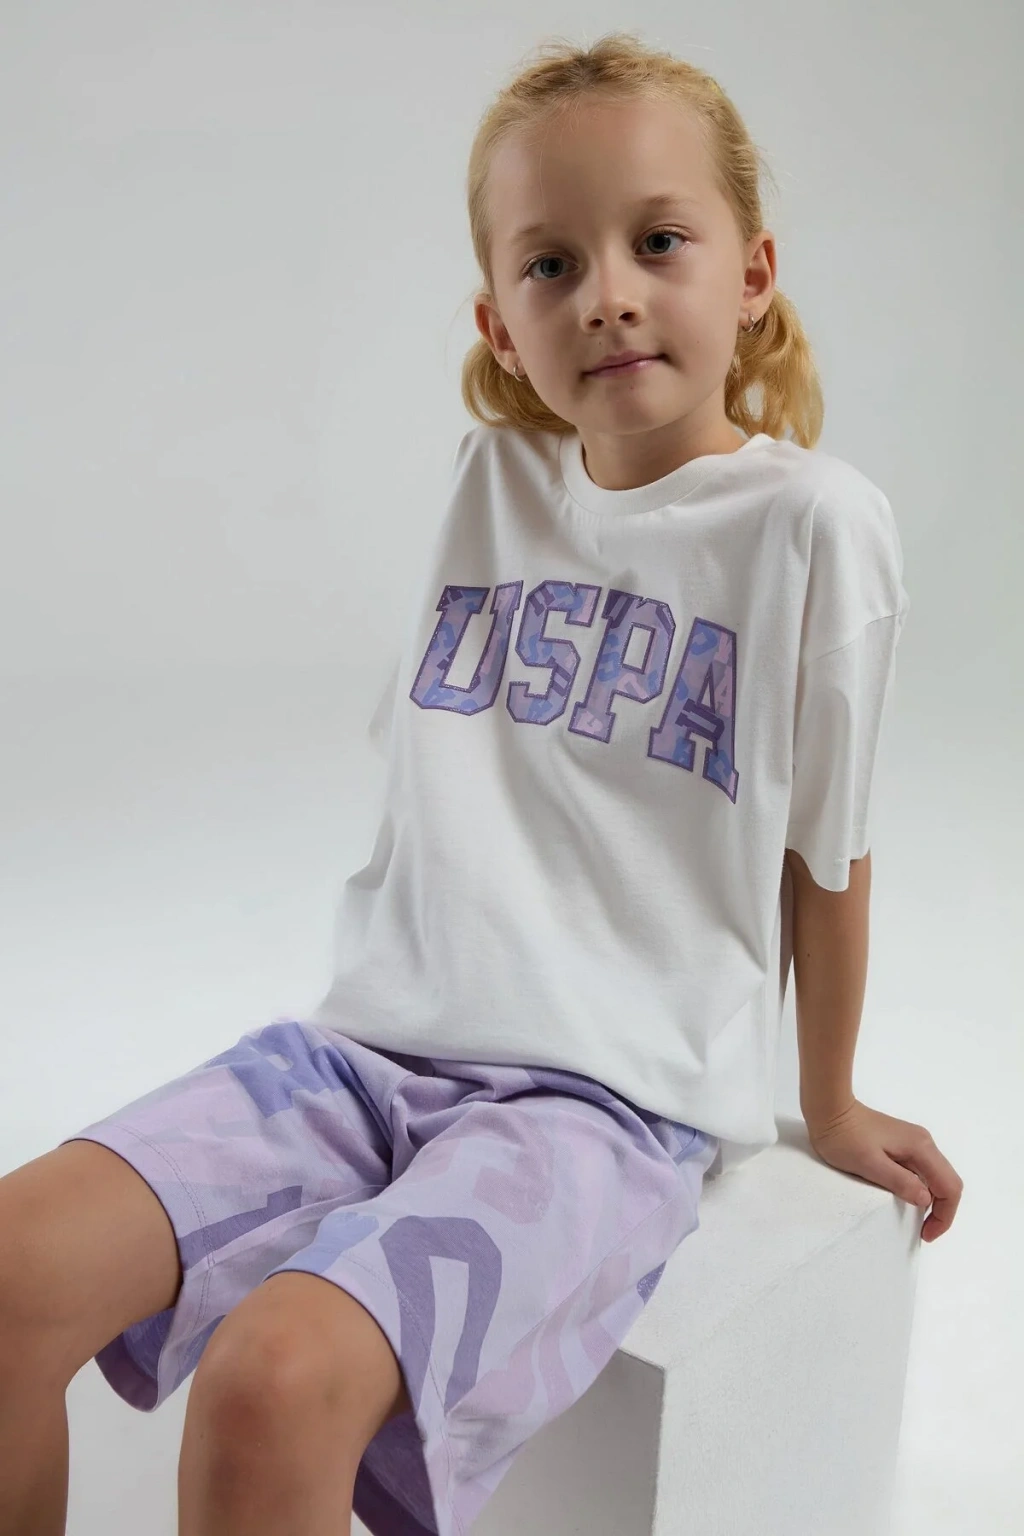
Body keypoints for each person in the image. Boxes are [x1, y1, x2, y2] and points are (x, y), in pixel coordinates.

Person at [0, 30, 963, 1536]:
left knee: (272, 1381)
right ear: (499, 324)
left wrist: (825, 1102)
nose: (608, 294)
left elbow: (826, 852)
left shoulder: (813, 527)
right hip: (362, 1055)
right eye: (550, 265)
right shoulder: (487, 484)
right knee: (8, 1270)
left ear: (754, 274)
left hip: (600, 1108)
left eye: (658, 241)